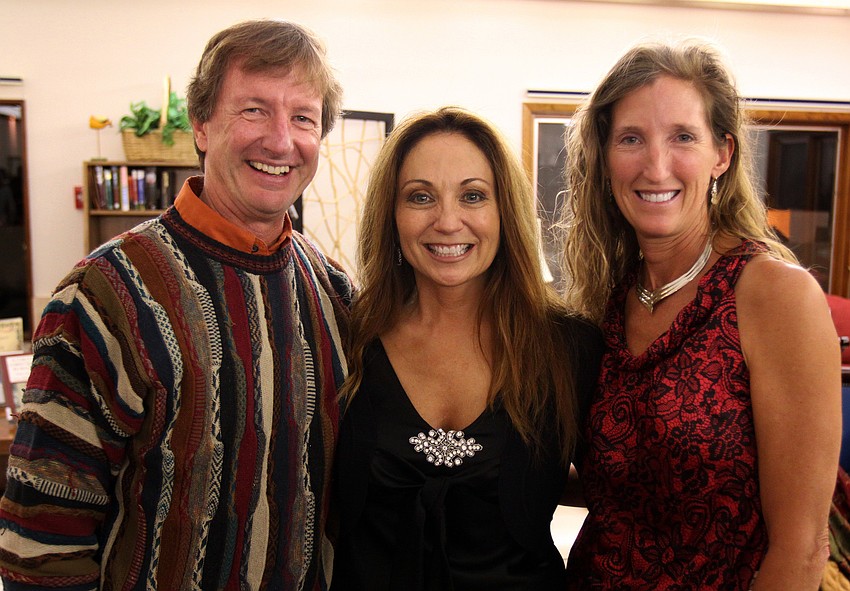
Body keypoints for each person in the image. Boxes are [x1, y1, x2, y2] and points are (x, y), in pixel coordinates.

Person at [0, 20, 351, 590]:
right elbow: (42, 529)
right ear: (202, 125)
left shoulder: (334, 293)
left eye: (304, 117)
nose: (281, 141)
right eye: (254, 110)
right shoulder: (104, 295)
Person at [561, 39, 842, 590]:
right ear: (605, 155)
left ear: (723, 155)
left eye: (683, 137)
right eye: (631, 138)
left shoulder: (773, 297)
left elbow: (802, 550)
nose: (655, 164)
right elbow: (614, 480)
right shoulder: (606, 299)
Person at [330, 106, 603, 590]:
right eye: (420, 197)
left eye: (473, 195)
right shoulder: (347, 337)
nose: (448, 221)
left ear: (506, 212)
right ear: (391, 215)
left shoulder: (569, 347)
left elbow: (625, 491)